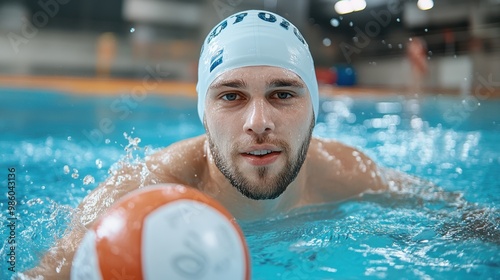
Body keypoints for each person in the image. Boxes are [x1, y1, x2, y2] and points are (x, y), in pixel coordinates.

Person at [22, 10, 404, 279]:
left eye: (283, 94)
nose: (259, 124)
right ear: (204, 112)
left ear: (314, 110)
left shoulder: (347, 173)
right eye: (231, 97)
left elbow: (457, 221)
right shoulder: (143, 196)